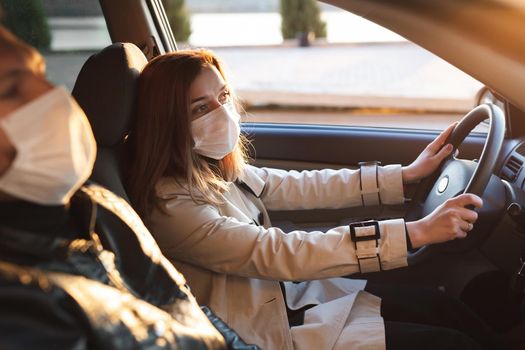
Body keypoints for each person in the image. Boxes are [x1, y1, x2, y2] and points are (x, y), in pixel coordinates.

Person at [127, 49, 506, 350]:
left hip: (293, 301)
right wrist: (414, 233)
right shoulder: (170, 205)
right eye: (200, 107)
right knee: (451, 343)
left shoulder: (211, 169)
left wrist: (403, 176)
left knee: (444, 307)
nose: (222, 112)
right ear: (169, 122)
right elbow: (275, 252)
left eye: (223, 96)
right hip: (268, 330)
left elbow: (301, 186)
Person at [0, 26, 259, 350]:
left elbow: (190, 311)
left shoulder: (101, 206)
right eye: (10, 90)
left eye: (40, 72)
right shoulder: (20, 313)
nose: (52, 95)